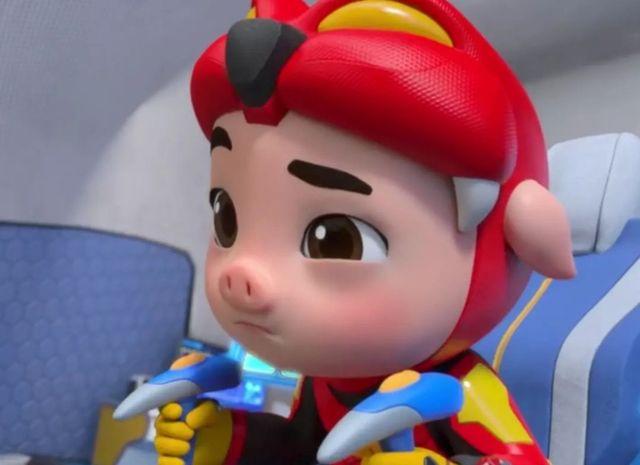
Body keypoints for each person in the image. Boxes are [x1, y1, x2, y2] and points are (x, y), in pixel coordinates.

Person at [154, 0, 576, 464]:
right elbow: (300, 448)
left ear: (514, 235)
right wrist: (225, 438)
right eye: (226, 220)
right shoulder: (326, 381)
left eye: (337, 237)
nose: (241, 274)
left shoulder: (463, 390)